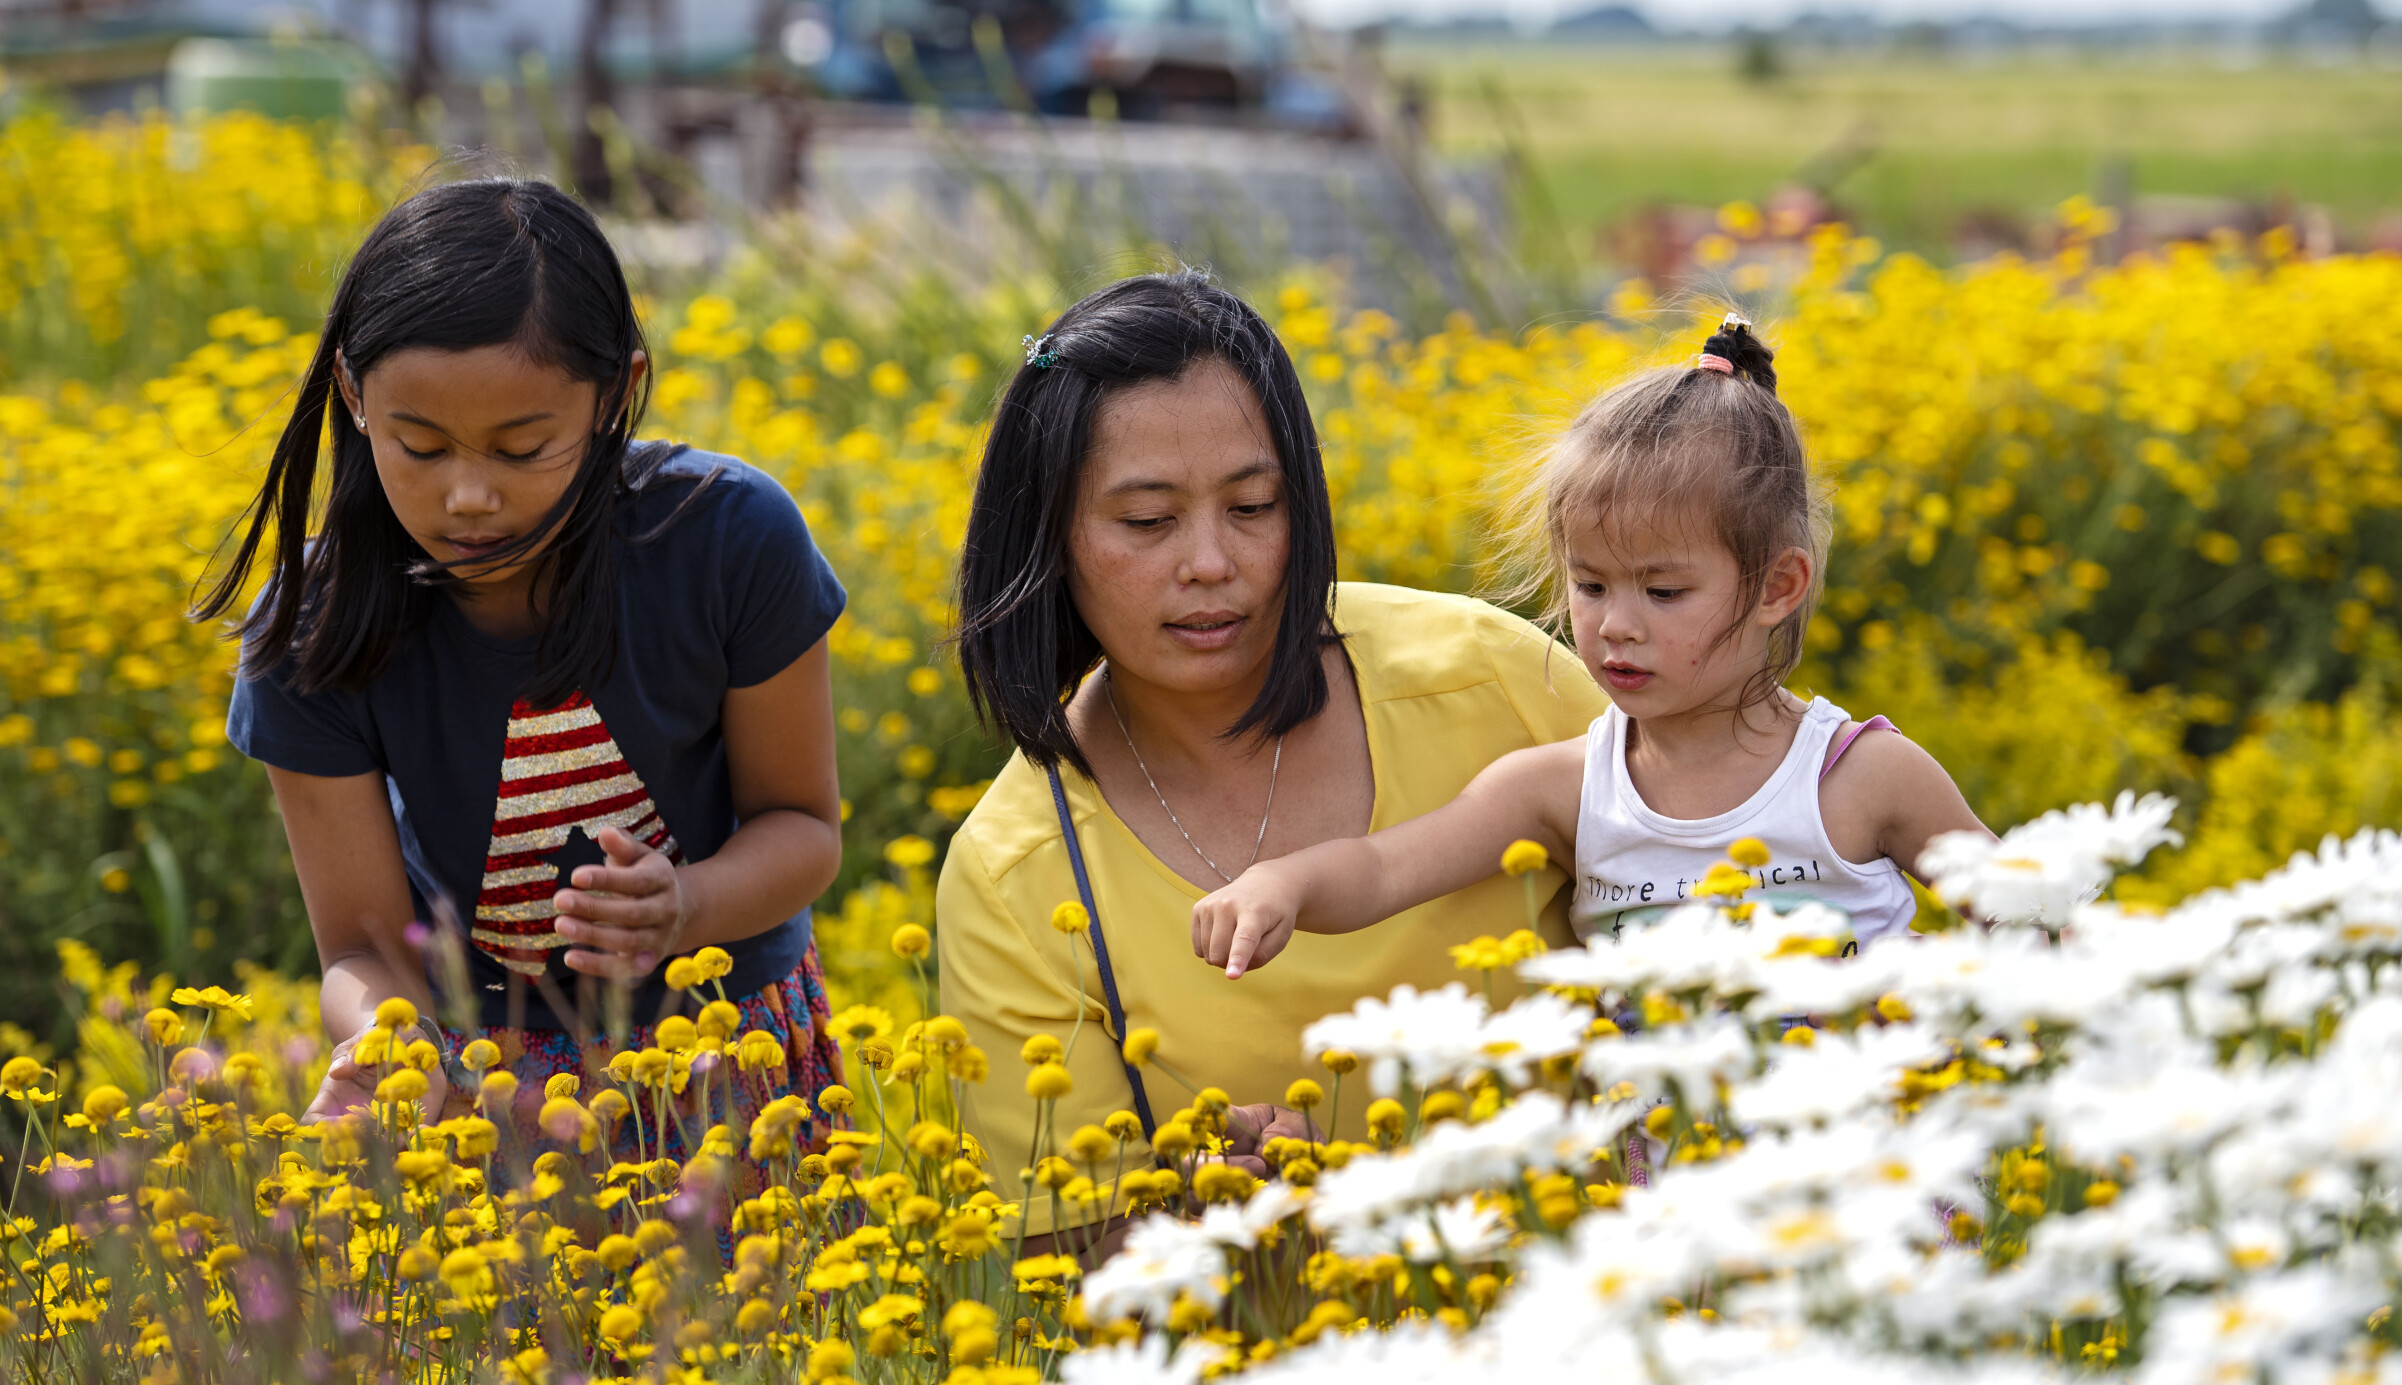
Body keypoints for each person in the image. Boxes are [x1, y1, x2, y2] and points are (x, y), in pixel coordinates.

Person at [936, 272, 1609, 1240]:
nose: (1210, 561)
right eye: (1146, 522)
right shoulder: (1015, 880)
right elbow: (1064, 1267)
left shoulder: (1488, 679)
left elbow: (1724, 870)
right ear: (1046, 542)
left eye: (1252, 507)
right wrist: (1207, 1218)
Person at [200, 178, 848, 1137]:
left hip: (728, 1042)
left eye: (522, 448)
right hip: (479, 1083)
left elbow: (803, 827)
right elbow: (360, 947)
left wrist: (686, 903)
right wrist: (397, 1047)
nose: (467, 496)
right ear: (352, 393)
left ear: (616, 394)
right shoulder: (313, 623)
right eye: (419, 445)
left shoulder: (726, 538)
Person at [1193, 315, 1994, 980]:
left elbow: (2040, 918)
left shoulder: (1860, 778)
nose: (1617, 623)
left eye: (1664, 590)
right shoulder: (1568, 789)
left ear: (1777, 587)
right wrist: (1282, 883)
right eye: (1592, 584)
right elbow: (1387, 868)